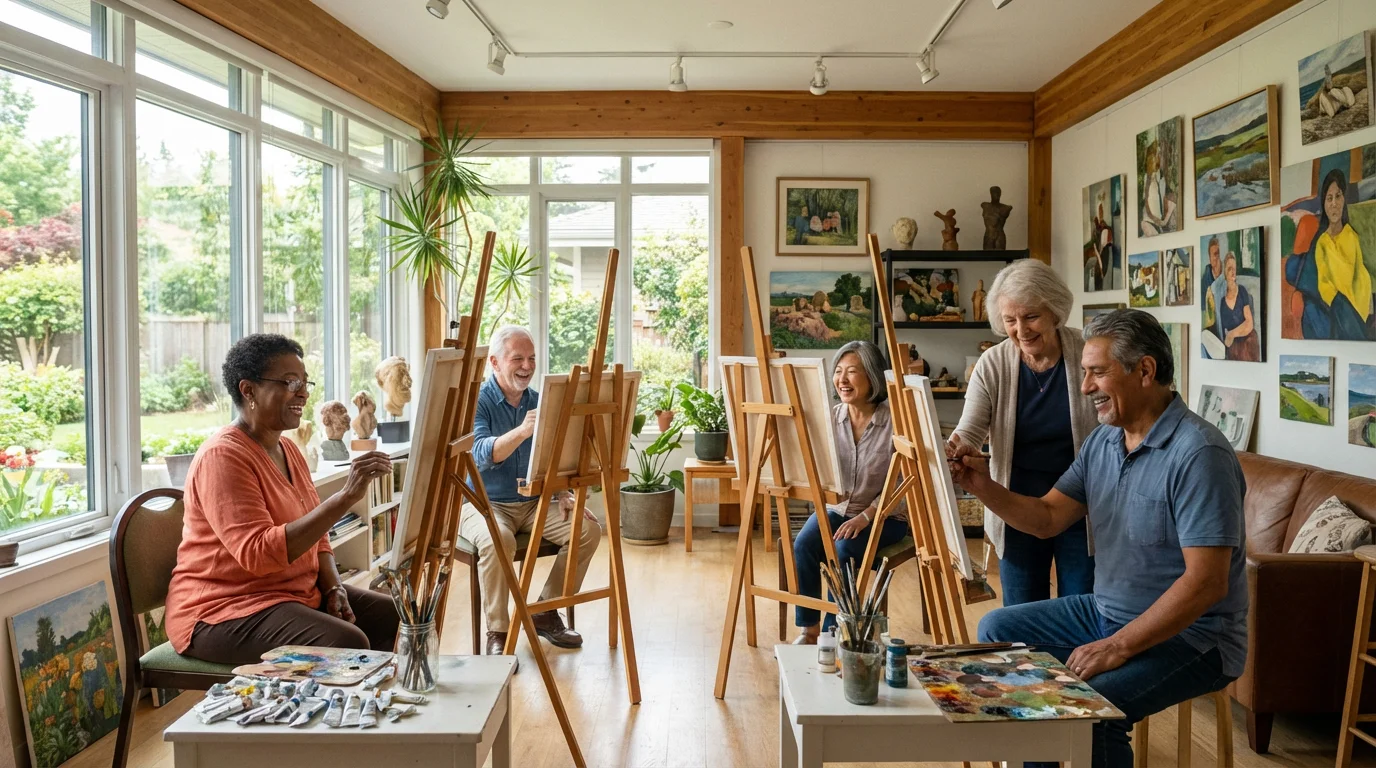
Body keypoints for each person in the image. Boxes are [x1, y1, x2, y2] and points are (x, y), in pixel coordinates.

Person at [952, 309, 1247, 768]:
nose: (1086, 386)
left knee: (1094, 711)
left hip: (1194, 639)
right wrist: (980, 485)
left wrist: (1118, 646)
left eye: (1097, 373)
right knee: (999, 631)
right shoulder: (1104, 443)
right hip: (1104, 611)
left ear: (1145, 371)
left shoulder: (1199, 455)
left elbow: (1207, 583)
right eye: (1085, 372)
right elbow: (1048, 517)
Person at [167, 334, 399, 664]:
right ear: (248, 390)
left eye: (305, 382)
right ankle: (338, 714)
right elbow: (258, 554)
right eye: (290, 382)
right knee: (346, 642)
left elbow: (317, 538)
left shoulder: (288, 449)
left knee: (399, 615)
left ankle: (380, 708)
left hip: (291, 597)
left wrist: (334, 588)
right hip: (222, 610)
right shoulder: (223, 457)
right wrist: (346, 497)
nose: (303, 393)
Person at [948, 260, 1099, 606]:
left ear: (1055, 311)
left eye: (1031, 316)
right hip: (1015, 507)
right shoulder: (993, 364)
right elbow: (969, 430)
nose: (1020, 329)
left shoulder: (1086, 355)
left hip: (1082, 509)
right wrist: (955, 449)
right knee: (1021, 619)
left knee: (1079, 611)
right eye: (1010, 320)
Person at [458, 325, 601, 668]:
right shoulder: (476, 401)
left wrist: (564, 492)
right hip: (483, 505)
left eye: (532, 358)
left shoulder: (539, 401)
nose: (527, 365)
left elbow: (554, 454)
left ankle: (546, 612)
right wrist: (522, 430)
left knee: (587, 530)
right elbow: (478, 455)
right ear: (494, 362)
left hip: (534, 502)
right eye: (517, 358)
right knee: (499, 540)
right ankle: (498, 633)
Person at [791, 340, 908, 644]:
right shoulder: (832, 417)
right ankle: (809, 628)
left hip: (886, 516)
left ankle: (832, 631)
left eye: (852, 372)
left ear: (872, 376)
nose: (842, 380)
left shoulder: (896, 421)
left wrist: (867, 516)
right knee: (804, 545)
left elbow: (901, 486)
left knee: (844, 552)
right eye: (838, 371)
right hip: (839, 509)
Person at [1313, 169, 1375, 340]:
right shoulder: (1322, 243)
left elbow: (1360, 276)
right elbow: (1324, 284)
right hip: (1339, 306)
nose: (1334, 204)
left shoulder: (1351, 235)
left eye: (1338, 196)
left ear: (1344, 200)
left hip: (1358, 307)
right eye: (1329, 198)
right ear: (1324, 204)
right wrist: (1339, 302)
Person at [1218, 253, 1260, 361]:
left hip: (1247, 337)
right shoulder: (1222, 302)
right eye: (1229, 269)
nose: (1232, 272)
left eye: (1234, 269)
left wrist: (1232, 334)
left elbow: (1249, 323)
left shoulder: (1241, 291)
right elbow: (1224, 334)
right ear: (1224, 272)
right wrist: (1229, 337)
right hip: (1234, 345)